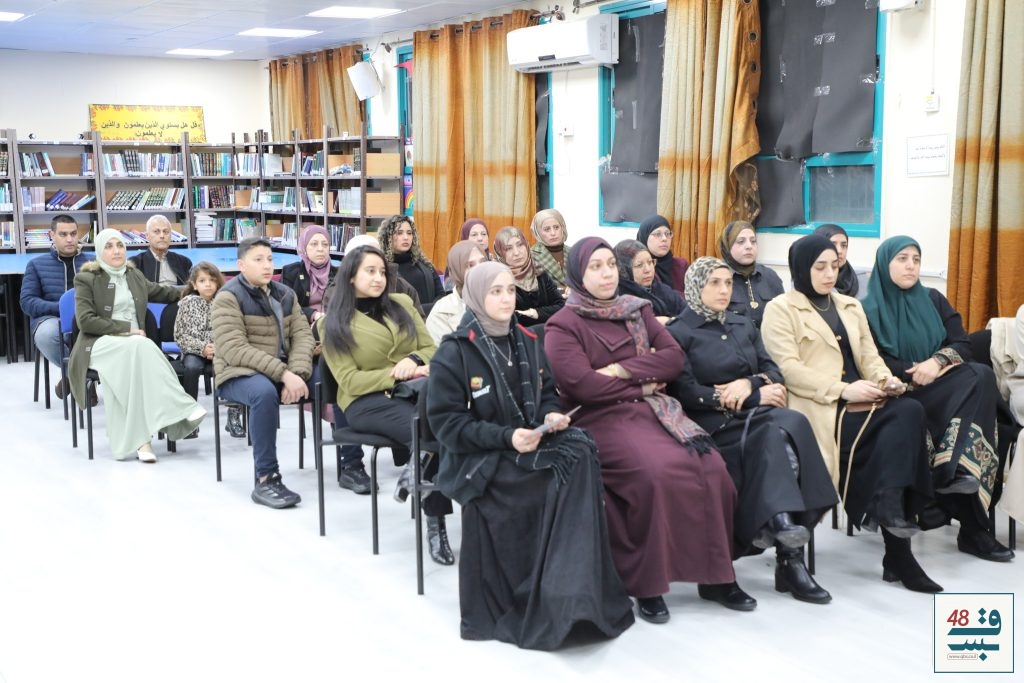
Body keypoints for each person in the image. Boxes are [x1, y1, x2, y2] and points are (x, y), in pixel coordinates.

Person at [427, 261, 635, 649]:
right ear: (476, 297)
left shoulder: (527, 339)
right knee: (556, 475)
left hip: (527, 443)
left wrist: (550, 416)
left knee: (581, 452)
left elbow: (548, 394)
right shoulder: (454, 353)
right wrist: (507, 438)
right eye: (495, 292)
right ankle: (540, 596)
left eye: (510, 290)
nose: (506, 299)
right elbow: (448, 427)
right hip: (481, 460)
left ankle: (572, 596)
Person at [545, 237, 751, 624]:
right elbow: (582, 386)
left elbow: (672, 359)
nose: (606, 274)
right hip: (600, 418)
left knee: (712, 469)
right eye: (595, 267)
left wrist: (620, 370)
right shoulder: (564, 325)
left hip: (655, 411)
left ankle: (717, 575)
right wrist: (641, 383)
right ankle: (647, 583)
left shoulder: (636, 310)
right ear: (577, 274)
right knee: (654, 474)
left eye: (610, 265)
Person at [761, 234, 941, 593]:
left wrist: (886, 380)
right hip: (821, 404)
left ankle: (893, 522)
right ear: (801, 269)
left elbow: (870, 357)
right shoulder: (781, 309)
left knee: (908, 410)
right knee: (889, 438)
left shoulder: (849, 305)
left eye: (834, 265)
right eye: (820, 267)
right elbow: (789, 370)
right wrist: (843, 389)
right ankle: (895, 549)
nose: (830, 274)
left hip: (863, 400)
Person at [666, 257, 840, 604]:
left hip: (754, 413)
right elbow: (685, 391)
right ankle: (785, 545)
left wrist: (749, 384)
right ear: (696, 287)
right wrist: (750, 396)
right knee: (773, 433)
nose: (723, 290)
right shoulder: (678, 331)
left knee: (795, 422)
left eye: (727, 283)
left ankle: (784, 535)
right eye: (714, 283)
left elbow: (773, 371)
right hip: (712, 422)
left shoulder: (741, 322)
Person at [862, 236, 1013, 562]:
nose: (911, 266)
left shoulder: (932, 299)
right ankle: (973, 526)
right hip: (900, 394)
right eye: (902, 259)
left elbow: (963, 344)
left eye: (916, 259)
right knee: (978, 399)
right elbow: (871, 360)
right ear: (885, 263)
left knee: (980, 374)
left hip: (945, 388)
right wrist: (916, 371)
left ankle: (955, 474)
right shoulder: (865, 310)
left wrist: (937, 362)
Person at [319, 245, 455, 564]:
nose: (379, 278)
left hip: (416, 392)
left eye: (382, 271)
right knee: (430, 431)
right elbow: (349, 381)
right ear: (351, 277)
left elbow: (431, 348)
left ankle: (415, 471)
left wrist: (414, 359)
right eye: (370, 271)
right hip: (365, 402)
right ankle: (436, 526)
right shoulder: (332, 322)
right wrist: (397, 373)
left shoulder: (402, 304)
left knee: (437, 426)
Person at [68, 229, 204, 462]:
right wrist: (127, 329)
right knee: (142, 344)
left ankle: (142, 442)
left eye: (120, 245)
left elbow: (163, 292)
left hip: (133, 346)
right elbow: (85, 321)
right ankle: (181, 407)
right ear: (99, 251)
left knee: (133, 369)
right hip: (98, 344)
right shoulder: (87, 279)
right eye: (109, 246)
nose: (116, 251)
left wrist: (196, 289)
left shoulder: (134, 275)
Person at [212, 237, 315, 509]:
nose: (267, 265)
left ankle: (351, 463)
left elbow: (303, 336)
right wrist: (284, 375)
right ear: (241, 265)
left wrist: (297, 372)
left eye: (270, 259)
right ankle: (266, 478)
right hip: (237, 373)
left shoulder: (285, 294)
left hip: (282, 370)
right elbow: (234, 349)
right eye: (258, 260)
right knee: (263, 393)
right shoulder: (228, 297)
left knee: (329, 377)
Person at [19, 214, 92, 396]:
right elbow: (27, 301)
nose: (70, 239)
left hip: (87, 318)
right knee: (46, 335)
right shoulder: (36, 264)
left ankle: (73, 378)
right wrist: (61, 308)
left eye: (73, 234)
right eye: (63, 234)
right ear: (52, 235)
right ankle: (80, 377)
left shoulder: (93, 263)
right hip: (52, 319)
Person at [173, 261, 243, 438]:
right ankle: (190, 419)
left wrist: (219, 347)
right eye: (202, 280)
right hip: (194, 350)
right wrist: (202, 348)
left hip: (221, 350)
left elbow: (233, 330)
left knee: (235, 366)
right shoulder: (187, 304)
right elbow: (180, 335)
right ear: (194, 284)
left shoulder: (226, 302)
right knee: (191, 367)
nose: (208, 284)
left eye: (212, 280)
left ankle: (234, 416)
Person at [717, 220, 784, 328]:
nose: (749, 246)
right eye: (741, 241)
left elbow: (783, 317)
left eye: (753, 241)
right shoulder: (717, 278)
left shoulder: (769, 276)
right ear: (727, 245)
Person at [493, 227, 564, 325]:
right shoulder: (498, 280)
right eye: (508, 248)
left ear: (526, 245)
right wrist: (546, 313)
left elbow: (561, 306)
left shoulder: (538, 271)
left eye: (520, 245)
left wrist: (535, 313)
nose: (516, 253)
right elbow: (511, 319)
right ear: (500, 253)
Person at [377, 214, 444, 308]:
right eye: (399, 233)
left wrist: (429, 310)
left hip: (432, 315)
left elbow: (441, 295)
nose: (406, 237)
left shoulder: (424, 264)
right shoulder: (382, 268)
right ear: (387, 237)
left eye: (409, 233)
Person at [426, 240, 486, 344]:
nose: (480, 269)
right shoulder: (442, 312)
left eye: (483, 262)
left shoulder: (499, 299)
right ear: (457, 270)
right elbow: (442, 352)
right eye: (470, 265)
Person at [612, 239, 685, 324]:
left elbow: (686, 310)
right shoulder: (621, 299)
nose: (648, 269)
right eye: (639, 265)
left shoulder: (659, 288)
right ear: (624, 270)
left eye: (650, 262)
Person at [280, 224, 337, 325]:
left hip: (334, 326)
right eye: (314, 244)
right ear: (304, 247)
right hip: (302, 326)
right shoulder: (291, 272)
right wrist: (313, 315)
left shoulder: (338, 274)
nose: (320, 249)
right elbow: (285, 306)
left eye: (325, 244)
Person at [129, 214, 192, 286]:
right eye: (156, 231)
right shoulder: (135, 263)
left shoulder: (184, 262)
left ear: (171, 236)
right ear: (147, 236)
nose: (162, 236)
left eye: (166, 231)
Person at [636, 214, 688, 294]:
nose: (664, 239)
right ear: (645, 237)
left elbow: (691, 296)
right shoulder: (638, 267)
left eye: (667, 234)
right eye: (657, 234)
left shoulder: (681, 265)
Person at [814, 224, 868, 298]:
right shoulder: (808, 283)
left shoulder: (861, 279)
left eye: (843, 245)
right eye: (832, 245)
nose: (839, 251)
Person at [443, 219, 494, 291]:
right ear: (465, 238)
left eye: (483, 234)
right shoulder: (457, 262)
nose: (480, 238)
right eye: (474, 235)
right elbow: (450, 290)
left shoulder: (494, 262)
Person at [529, 209, 569, 290]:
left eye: (556, 227)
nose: (553, 233)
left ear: (562, 227)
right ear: (537, 232)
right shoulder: (530, 256)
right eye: (547, 229)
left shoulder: (575, 252)